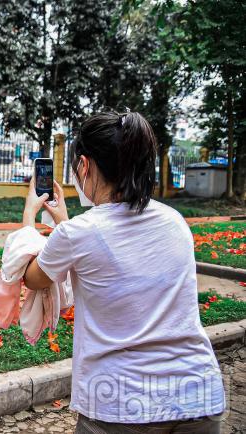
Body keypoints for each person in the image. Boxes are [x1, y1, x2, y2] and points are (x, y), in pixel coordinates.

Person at [22, 112, 225, 433]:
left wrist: (30, 215)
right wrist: (66, 221)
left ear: (84, 166)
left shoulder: (79, 232)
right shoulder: (174, 221)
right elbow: (109, 254)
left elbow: (32, 277)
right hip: (198, 393)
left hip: (119, 403)